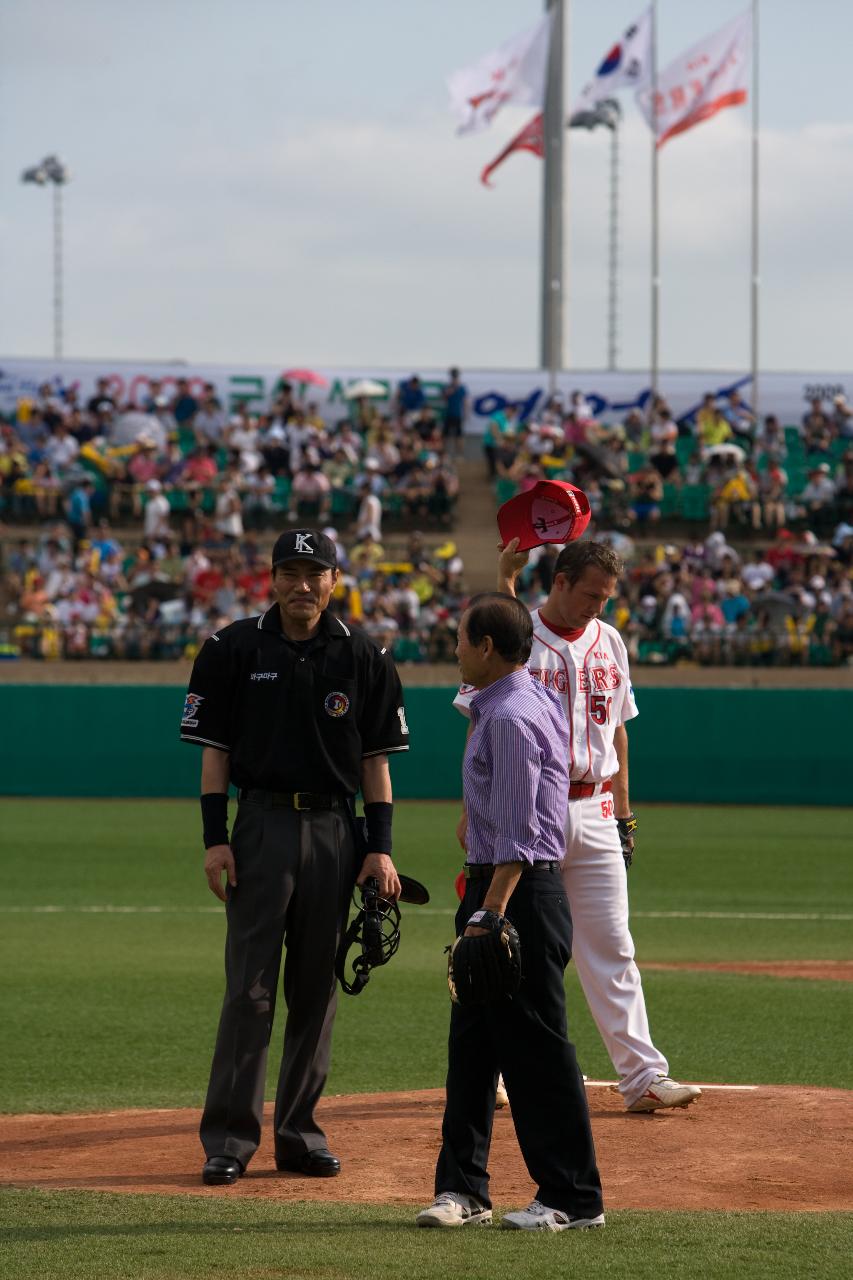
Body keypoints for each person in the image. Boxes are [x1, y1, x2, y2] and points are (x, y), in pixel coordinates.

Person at [180, 528, 410, 1186]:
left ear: (335, 580)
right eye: (290, 572)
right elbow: (215, 752)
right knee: (249, 992)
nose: (302, 585)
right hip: (260, 825)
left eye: (315, 573)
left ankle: (298, 1133)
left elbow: (374, 764)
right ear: (271, 578)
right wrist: (213, 838)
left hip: (336, 833)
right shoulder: (232, 647)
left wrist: (380, 850)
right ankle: (228, 1138)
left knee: (314, 991)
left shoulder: (364, 655)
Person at [454, 539, 702, 1115]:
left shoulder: (610, 640)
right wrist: (474, 807)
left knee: (612, 944)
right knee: (512, 947)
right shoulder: (520, 642)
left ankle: (642, 1076)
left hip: (595, 808)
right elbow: (483, 721)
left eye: (606, 596)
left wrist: (624, 813)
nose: (599, 605)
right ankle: (502, 1070)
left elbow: (619, 732)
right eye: (592, 593)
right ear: (560, 581)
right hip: (529, 810)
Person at [417, 594, 604, 1232]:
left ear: (487, 648)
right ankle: (463, 1188)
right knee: (471, 1046)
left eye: (463, 638)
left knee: (536, 1049)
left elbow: (524, 828)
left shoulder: (511, 718)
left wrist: (490, 914)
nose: (456, 648)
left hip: (516, 894)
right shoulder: (518, 697)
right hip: (494, 889)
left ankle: (573, 1198)